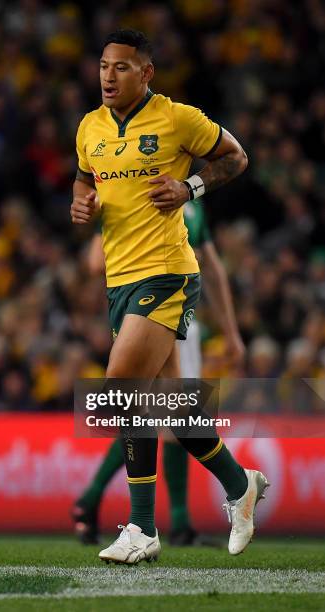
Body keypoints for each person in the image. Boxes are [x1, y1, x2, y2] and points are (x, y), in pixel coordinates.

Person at [71, 29, 269, 564]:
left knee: (120, 388)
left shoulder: (179, 118)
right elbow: (84, 180)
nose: (109, 76)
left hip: (167, 273)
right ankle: (239, 484)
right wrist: (82, 205)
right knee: (167, 406)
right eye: (104, 66)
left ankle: (141, 526)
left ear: (147, 73)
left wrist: (190, 188)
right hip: (120, 280)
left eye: (123, 68)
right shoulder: (90, 127)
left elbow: (237, 158)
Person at [72, 198, 246, 546]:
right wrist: (230, 331)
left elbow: (95, 261)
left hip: (145, 305)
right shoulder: (190, 205)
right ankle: (225, 493)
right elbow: (210, 267)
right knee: (159, 405)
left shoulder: (125, 192)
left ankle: (135, 519)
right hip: (170, 307)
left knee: (143, 403)